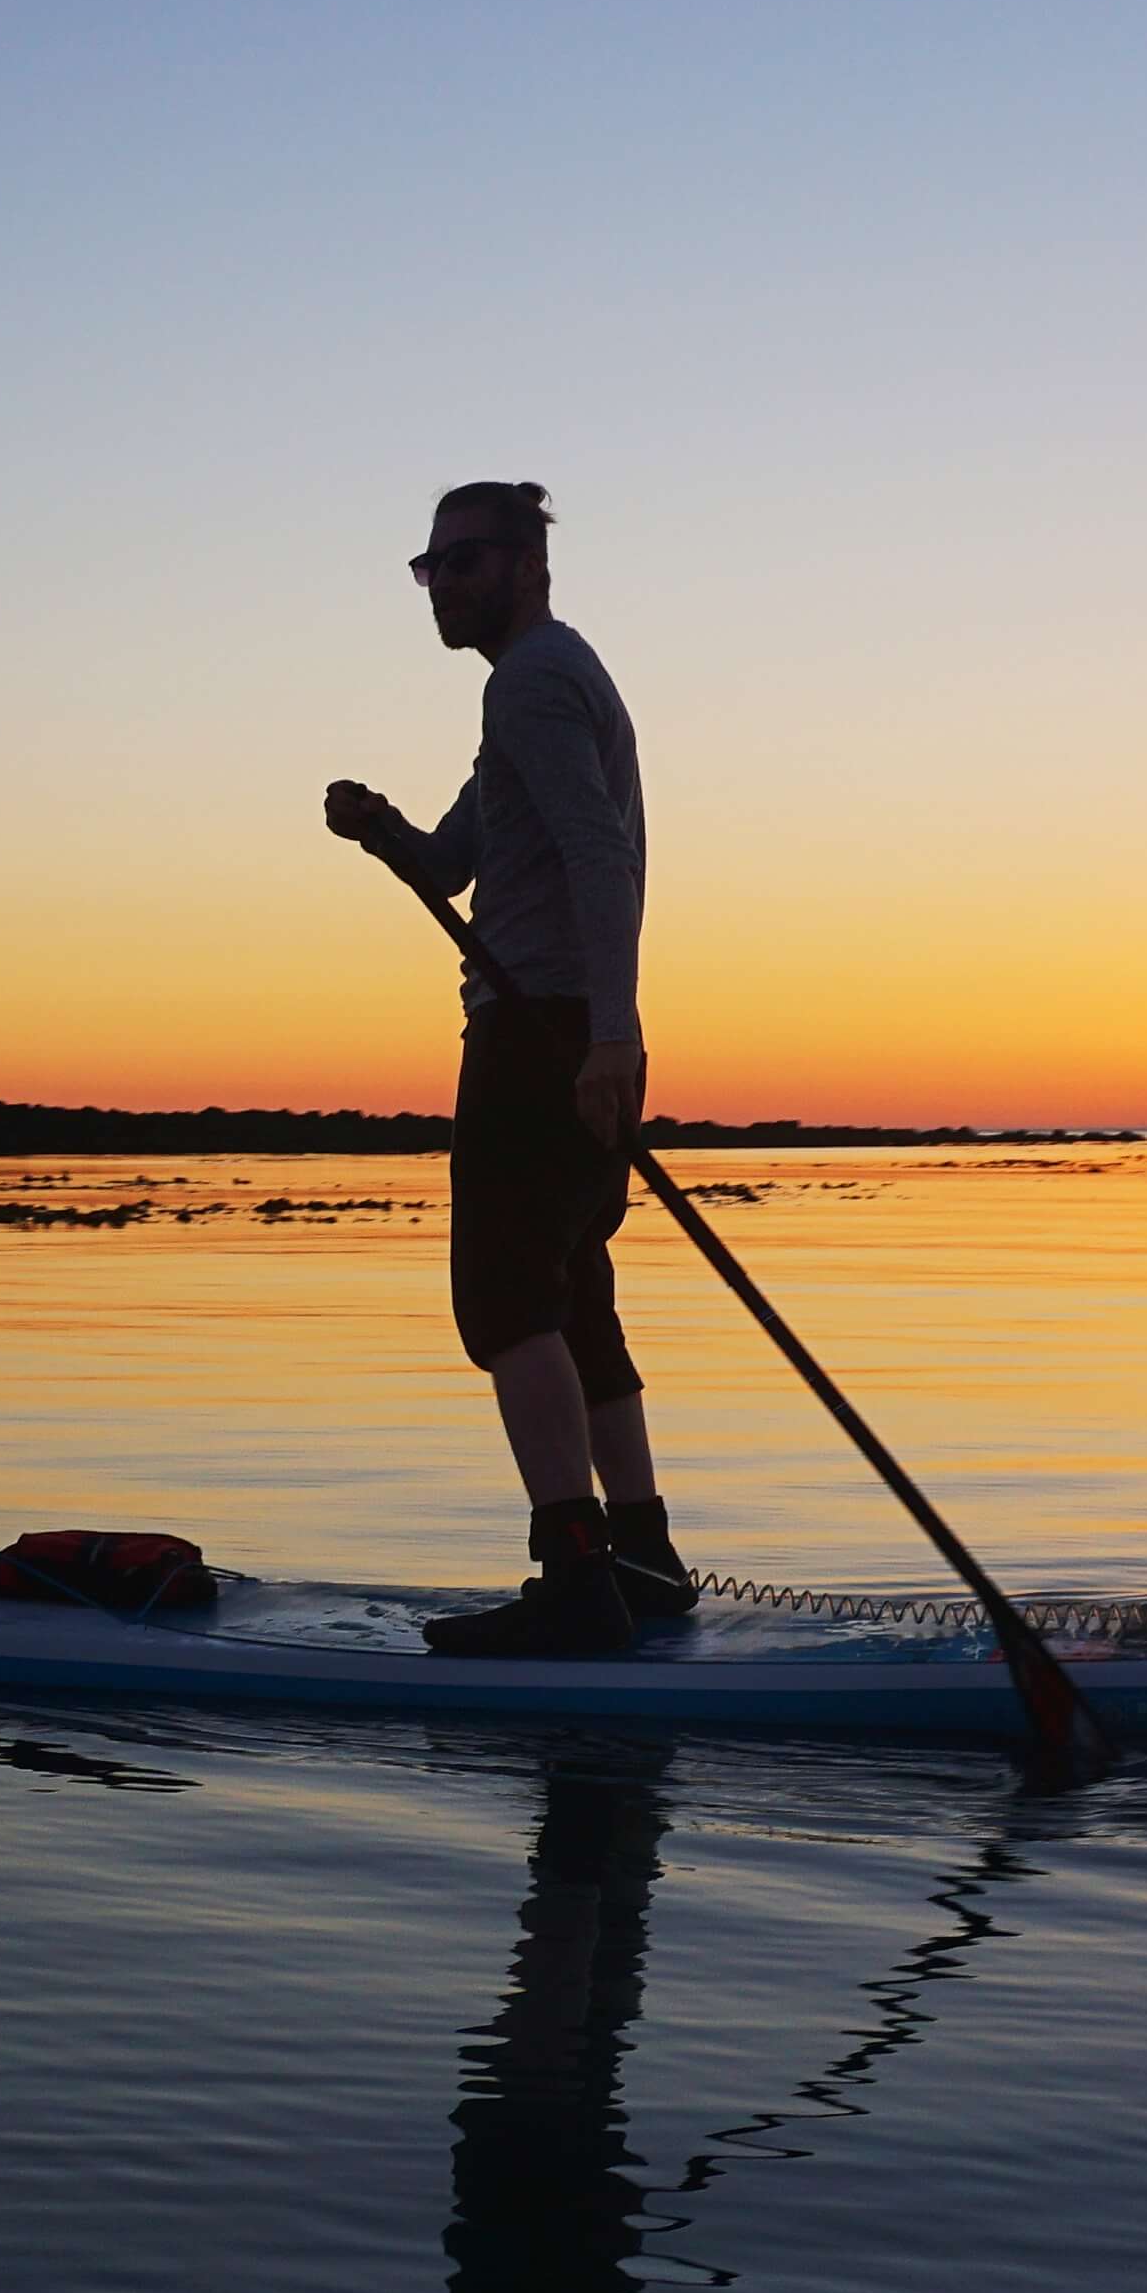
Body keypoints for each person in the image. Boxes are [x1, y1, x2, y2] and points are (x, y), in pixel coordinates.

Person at [324, 479, 692, 1658]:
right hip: (568, 1025)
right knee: (573, 1291)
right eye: (429, 568)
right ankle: (641, 1555)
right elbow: (451, 863)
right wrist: (382, 832)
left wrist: (610, 1038)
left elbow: (600, 853)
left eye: (464, 562)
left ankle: (578, 1579)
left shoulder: (532, 680)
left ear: (527, 565)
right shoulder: (532, 688)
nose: (443, 587)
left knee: (501, 1300)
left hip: (543, 1033)